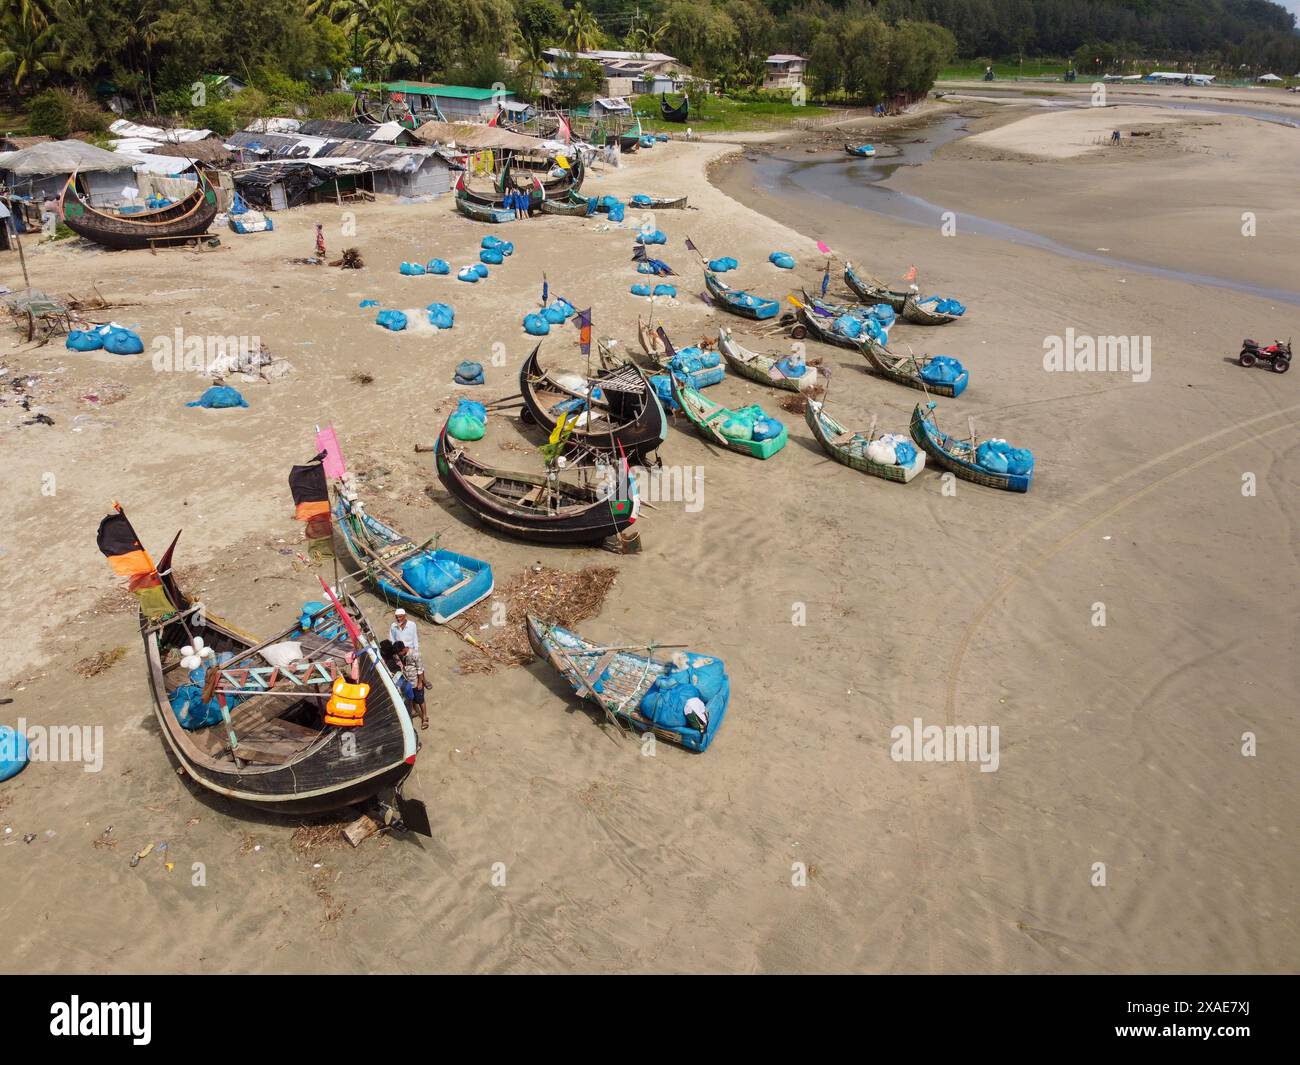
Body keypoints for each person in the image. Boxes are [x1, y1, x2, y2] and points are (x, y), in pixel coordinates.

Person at [393, 641, 428, 730]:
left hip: (415, 681)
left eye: (399, 653)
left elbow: (420, 669)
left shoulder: (415, 654)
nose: (398, 655)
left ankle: (424, 717)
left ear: (403, 649)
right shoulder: (398, 655)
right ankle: (413, 711)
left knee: (420, 700)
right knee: (410, 697)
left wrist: (420, 682)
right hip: (407, 680)